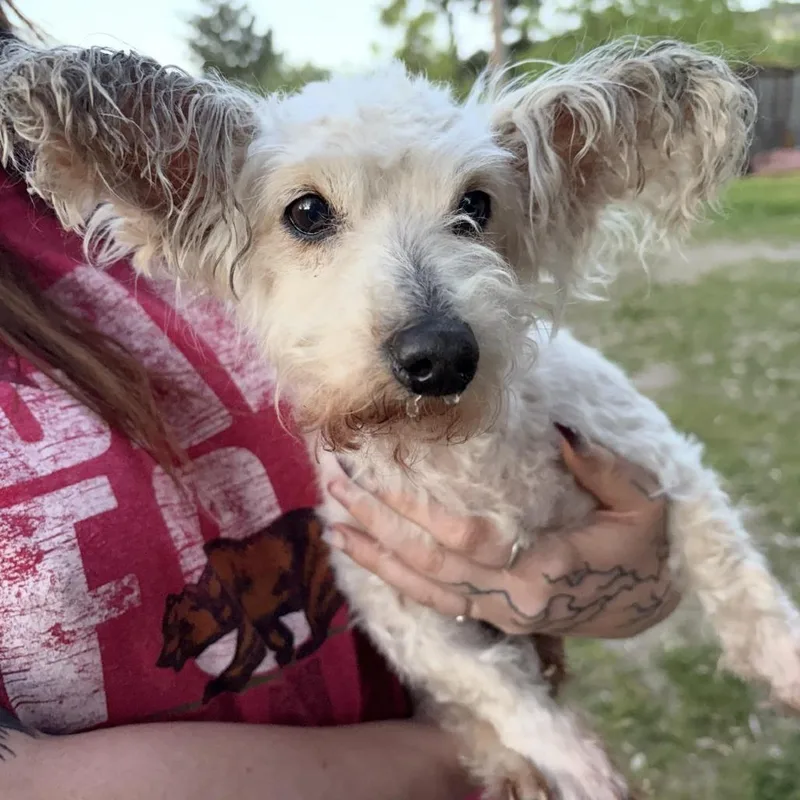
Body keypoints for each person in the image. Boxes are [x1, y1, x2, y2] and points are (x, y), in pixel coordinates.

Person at [0, 4, 677, 797]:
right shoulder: (154, 169)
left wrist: (615, 581)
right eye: (312, 216)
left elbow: (595, 566)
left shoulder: (73, 151)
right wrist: (466, 753)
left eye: (468, 212)